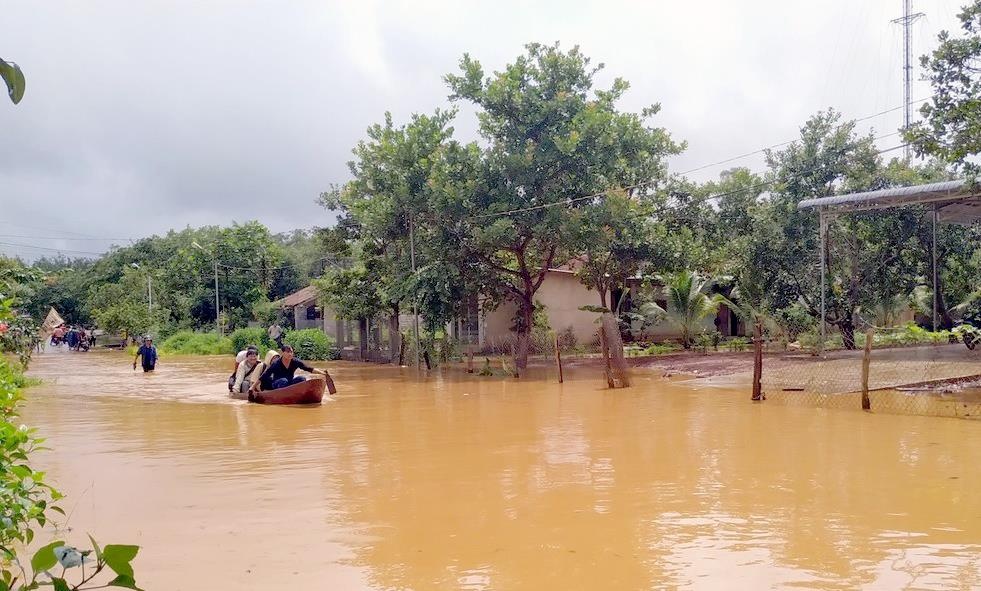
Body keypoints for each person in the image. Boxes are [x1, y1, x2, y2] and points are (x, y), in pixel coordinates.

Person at [254, 345, 330, 391]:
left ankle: (297, 394)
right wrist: (252, 387)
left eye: (291, 352)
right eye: (288, 352)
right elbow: (264, 376)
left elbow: (309, 369)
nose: (290, 354)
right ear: (282, 353)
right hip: (277, 384)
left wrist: (322, 373)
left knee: (302, 379)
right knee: (283, 380)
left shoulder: (295, 361)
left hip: (289, 384)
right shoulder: (276, 363)